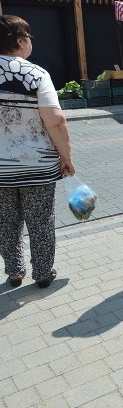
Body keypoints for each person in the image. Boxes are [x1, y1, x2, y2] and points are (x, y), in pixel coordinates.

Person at [0, 15, 75, 288]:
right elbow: (55, 120)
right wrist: (65, 156)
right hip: (37, 165)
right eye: (28, 38)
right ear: (20, 40)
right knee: (41, 221)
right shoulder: (36, 74)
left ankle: (15, 271)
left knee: (6, 222)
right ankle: (43, 273)